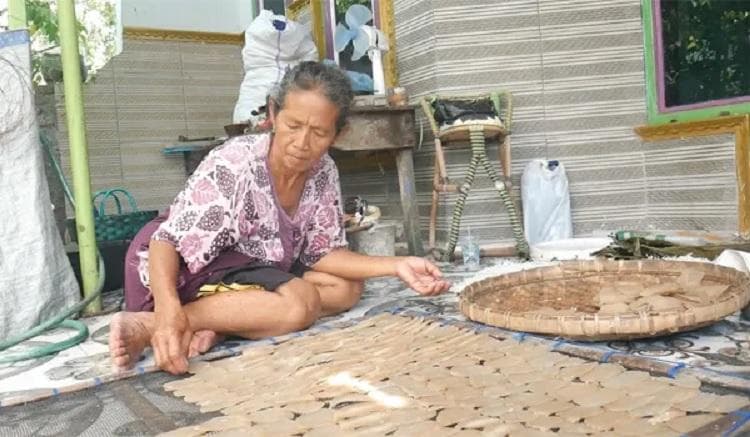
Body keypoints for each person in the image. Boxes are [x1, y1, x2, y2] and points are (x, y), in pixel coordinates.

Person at [109, 61, 451, 375]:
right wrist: (168, 315)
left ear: (339, 133)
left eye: (318, 133)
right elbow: (165, 242)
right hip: (181, 271)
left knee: (345, 288)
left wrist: (399, 264)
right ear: (273, 113)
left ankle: (223, 321)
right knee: (300, 303)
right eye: (293, 125)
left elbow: (323, 252)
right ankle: (150, 324)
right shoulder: (237, 163)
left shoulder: (323, 171)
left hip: (248, 267)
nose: (301, 143)